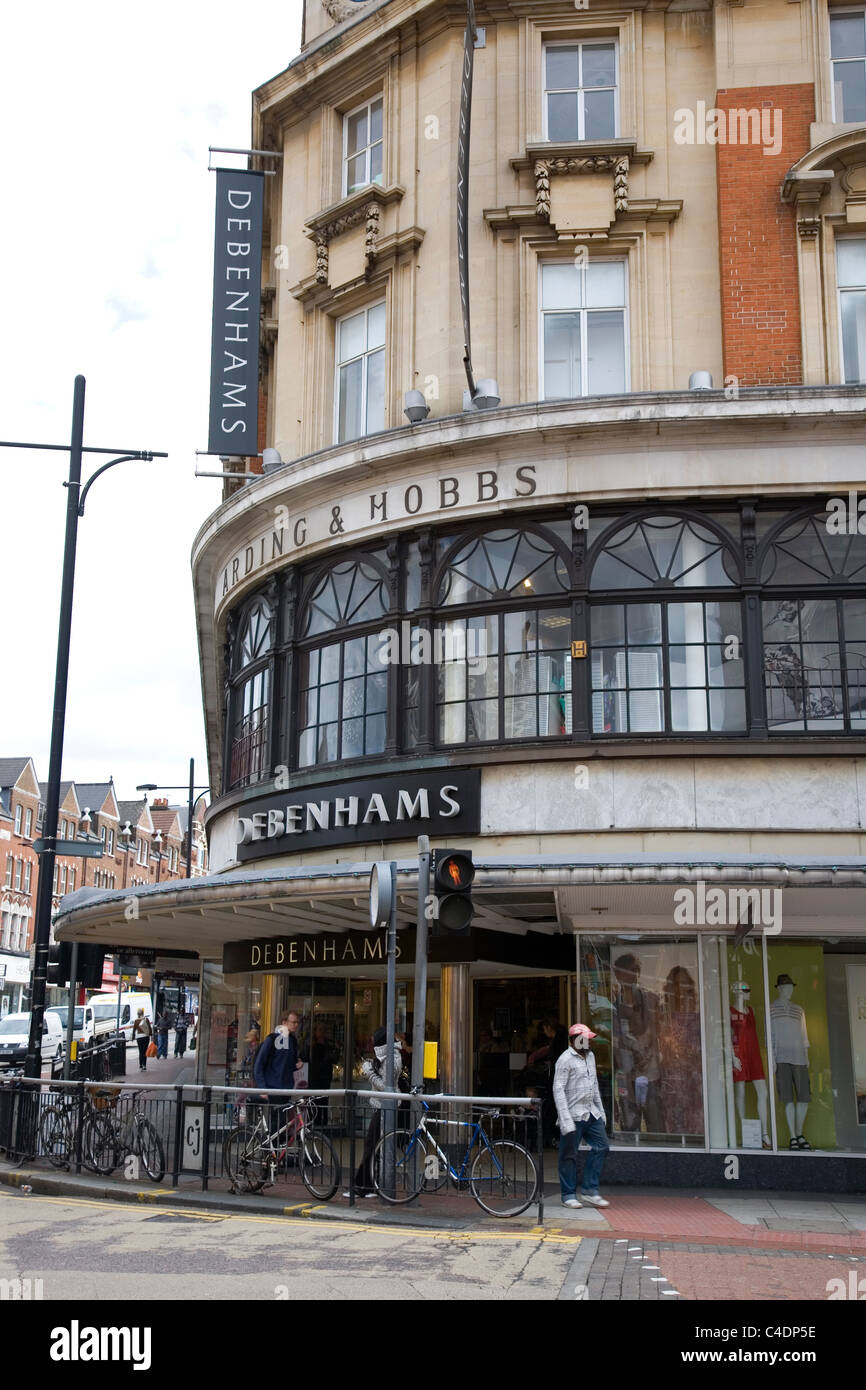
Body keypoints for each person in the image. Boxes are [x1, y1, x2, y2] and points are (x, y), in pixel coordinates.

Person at [552, 1022, 610, 1209]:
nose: (588, 1043)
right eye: (584, 1039)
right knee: (569, 1155)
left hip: (591, 1112)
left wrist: (600, 1111)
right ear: (573, 1040)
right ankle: (568, 1194)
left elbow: (594, 1087)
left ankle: (590, 1190)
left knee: (602, 1146)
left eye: (588, 1040)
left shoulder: (590, 1057)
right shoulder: (565, 1059)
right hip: (573, 1114)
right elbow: (558, 1089)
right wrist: (565, 1118)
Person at [347, 1025, 402, 1198]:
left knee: (372, 1146)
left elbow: (386, 1087)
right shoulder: (388, 1056)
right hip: (383, 1106)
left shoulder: (391, 1058)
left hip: (385, 1106)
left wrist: (370, 1073)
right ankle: (369, 1184)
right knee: (375, 1147)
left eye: (373, 1041)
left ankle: (365, 1185)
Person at [254, 1011, 300, 1134]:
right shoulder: (272, 1039)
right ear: (284, 1022)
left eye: (297, 1022)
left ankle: (277, 1151)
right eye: (293, 1022)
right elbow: (259, 1064)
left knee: (282, 1124)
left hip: (286, 1088)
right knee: (277, 1123)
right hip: (273, 1088)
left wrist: (297, 1065)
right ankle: (272, 1151)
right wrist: (262, 1088)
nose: (296, 1025)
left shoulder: (293, 1041)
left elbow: (289, 1064)